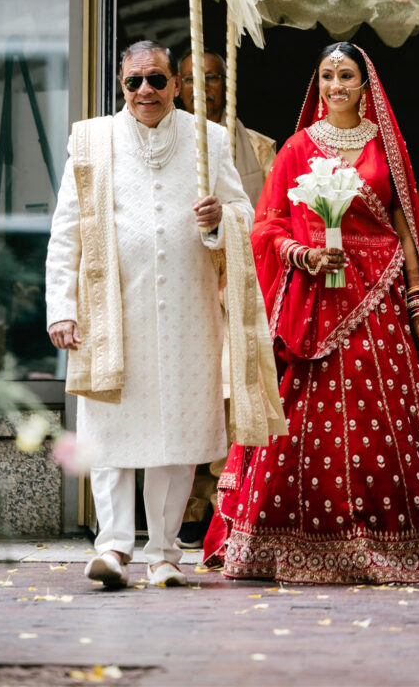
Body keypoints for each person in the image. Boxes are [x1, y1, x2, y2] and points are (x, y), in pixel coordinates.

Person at [202, 42, 419, 584]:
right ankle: (285, 540)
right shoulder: (298, 148)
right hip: (314, 298)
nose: (336, 85)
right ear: (317, 84)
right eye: (326, 76)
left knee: (391, 421)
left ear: (366, 87)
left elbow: (405, 226)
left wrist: (418, 297)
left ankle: (405, 540)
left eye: (346, 75)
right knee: (302, 418)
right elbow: (266, 226)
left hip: (382, 298)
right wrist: (304, 254)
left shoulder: (386, 146)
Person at [45, 40, 255, 588]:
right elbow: (66, 231)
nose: (145, 91)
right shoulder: (92, 139)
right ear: (121, 85)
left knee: (176, 435)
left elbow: (243, 218)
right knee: (109, 429)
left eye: (157, 80)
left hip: (188, 312)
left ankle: (164, 552)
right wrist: (62, 307)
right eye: (134, 82)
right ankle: (113, 548)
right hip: (110, 312)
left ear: (177, 85)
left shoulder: (209, 139)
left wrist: (217, 221)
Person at [176, 50, 277, 549]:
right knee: (186, 388)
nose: (205, 88)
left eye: (214, 78)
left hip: (238, 282)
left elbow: (275, 217)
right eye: (194, 79)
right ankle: (188, 506)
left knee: (229, 392)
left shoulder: (259, 148)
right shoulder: (165, 141)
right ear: (178, 85)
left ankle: (224, 503)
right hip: (182, 283)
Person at [178, 51, 276, 206]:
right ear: (178, 88)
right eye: (190, 79)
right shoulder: (164, 146)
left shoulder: (259, 146)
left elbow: (276, 207)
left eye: (210, 77)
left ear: (226, 85)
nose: (201, 86)